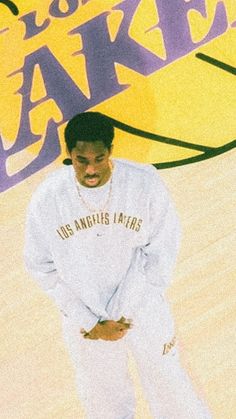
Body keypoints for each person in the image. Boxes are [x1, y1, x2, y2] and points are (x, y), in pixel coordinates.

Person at [24, 112, 211, 419]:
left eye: (99, 157)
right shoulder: (47, 200)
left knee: (171, 388)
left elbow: (161, 252)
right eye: (82, 159)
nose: (92, 169)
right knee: (103, 403)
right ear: (69, 154)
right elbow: (41, 267)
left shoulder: (144, 182)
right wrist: (91, 321)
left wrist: (125, 311)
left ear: (110, 150)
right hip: (87, 321)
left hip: (143, 306)